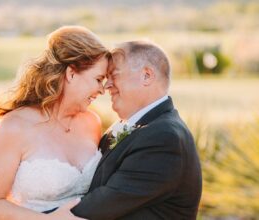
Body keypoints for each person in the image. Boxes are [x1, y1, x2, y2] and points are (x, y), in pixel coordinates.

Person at [0, 26, 110, 220]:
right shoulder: (13, 127)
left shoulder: (92, 123)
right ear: (71, 74)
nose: (102, 90)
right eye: (98, 79)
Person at [71, 41, 202, 219]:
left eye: (114, 75)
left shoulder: (164, 138)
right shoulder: (133, 126)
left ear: (147, 76)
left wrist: (30, 213)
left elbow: (100, 207)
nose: (106, 85)